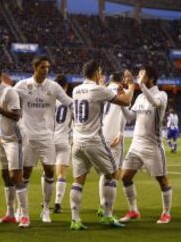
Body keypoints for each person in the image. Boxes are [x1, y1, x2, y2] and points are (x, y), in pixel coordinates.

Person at [70, 60, 135, 231]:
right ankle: (107, 216)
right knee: (112, 174)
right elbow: (126, 101)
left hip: (77, 141)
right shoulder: (99, 89)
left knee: (78, 181)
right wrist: (131, 85)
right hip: (93, 140)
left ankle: (75, 220)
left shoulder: (76, 89)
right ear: (97, 73)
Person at [14, 56, 73, 223]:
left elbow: (68, 102)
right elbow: (10, 100)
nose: (46, 70)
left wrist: (83, 107)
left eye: (47, 67)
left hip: (47, 137)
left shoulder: (53, 87)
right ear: (35, 67)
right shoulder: (22, 85)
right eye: (42, 67)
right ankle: (21, 209)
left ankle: (46, 209)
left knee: (49, 171)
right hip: (28, 137)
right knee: (25, 173)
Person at [119, 66, 172, 224]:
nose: (138, 76)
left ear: (151, 78)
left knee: (162, 180)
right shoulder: (141, 97)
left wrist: (140, 86)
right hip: (136, 144)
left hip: (152, 145)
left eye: (142, 75)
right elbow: (129, 117)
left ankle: (166, 213)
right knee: (125, 177)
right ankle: (133, 211)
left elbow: (155, 103)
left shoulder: (161, 95)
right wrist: (122, 101)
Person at [0, 65, 30, 228]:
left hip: (15, 139)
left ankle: (24, 216)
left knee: (16, 176)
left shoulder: (9, 92)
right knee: (5, 175)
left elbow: (16, 115)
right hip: (5, 139)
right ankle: (10, 214)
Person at [97, 71, 127, 217]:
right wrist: (121, 132)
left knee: (104, 172)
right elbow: (124, 114)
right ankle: (108, 212)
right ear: (121, 80)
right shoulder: (124, 92)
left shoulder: (102, 90)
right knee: (115, 175)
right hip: (115, 135)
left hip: (100, 134)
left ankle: (102, 205)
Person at [53, 74, 73, 214]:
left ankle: (46, 201)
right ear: (66, 86)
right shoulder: (71, 102)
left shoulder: (49, 101)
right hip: (64, 139)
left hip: (49, 139)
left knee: (47, 173)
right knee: (61, 174)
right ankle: (57, 203)